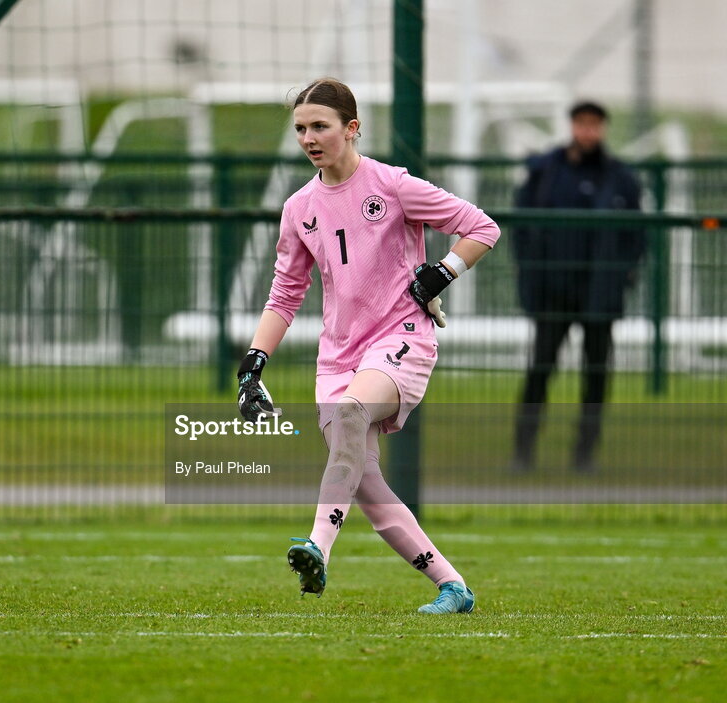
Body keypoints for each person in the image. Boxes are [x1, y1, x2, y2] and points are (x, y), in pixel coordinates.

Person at [236, 78, 500, 612]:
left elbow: (481, 226)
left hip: (402, 339)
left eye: (320, 127)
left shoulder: (394, 185)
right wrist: (253, 365)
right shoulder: (299, 208)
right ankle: (454, 587)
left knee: (353, 414)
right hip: (338, 355)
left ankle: (317, 550)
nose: (309, 138)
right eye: (301, 129)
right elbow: (285, 295)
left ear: (351, 129)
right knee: (365, 480)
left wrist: (442, 272)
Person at [510, 101, 646, 473]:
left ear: (602, 128)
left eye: (595, 125)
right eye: (582, 124)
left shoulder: (620, 178)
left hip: (600, 294)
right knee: (540, 369)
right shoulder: (546, 173)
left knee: (596, 374)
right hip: (554, 291)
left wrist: (623, 273)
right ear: (572, 126)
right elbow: (521, 227)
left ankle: (585, 455)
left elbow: (638, 234)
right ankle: (523, 453)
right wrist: (531, 274)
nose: (588, 131)